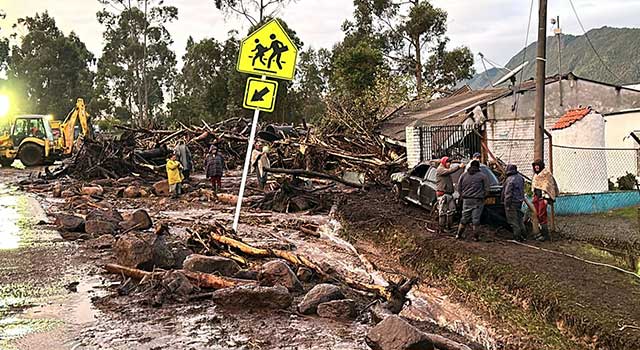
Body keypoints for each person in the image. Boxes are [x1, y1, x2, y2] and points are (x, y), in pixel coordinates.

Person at [456, 160, 490, 241]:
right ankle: (475, 237)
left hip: (466, 200)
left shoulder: (463, 175)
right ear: (478, 167)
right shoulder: (482, 176)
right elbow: (487, 189)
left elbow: (459, 188)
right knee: (476, 219)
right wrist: (483, 196)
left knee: (464, 218)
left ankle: (458, 235)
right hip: (478, 201)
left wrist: (463, 196)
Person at [532, 159, 559, 241]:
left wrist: (546, 198)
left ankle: (545, 234)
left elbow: (549, 187)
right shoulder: (536, 175)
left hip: (543, 198)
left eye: (538, 165)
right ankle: (538, 232)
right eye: (535, 165)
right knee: (536, 214)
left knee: (542, 215)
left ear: (541, 165)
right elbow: (535, 186)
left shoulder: (546, 174)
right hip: (537, 197)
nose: (536, 167)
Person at [436, 157, 465, 232]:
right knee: (443, 212)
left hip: (449, 194)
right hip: (443, 194)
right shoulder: (440, 170)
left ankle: (449, 227)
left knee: (451, 211)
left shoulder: (444, 169)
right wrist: (458, 166)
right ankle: (441, 228)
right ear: (444, 162)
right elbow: (449, 171)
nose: (449, 164)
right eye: (448, 163)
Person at [502, 164, 526, 241]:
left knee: (513, 221)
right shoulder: (520, 178)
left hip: (512, 202)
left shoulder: (509, 180)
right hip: (519, 201)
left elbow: (508, 193)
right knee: (519, 219)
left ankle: (517, 237)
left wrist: (506, 204)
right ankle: (524, 234)